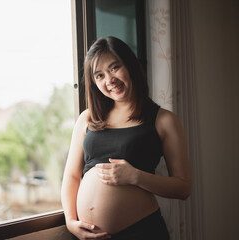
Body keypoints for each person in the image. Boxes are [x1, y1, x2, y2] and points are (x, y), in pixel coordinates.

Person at [61, 36, 191, 240]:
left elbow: (183, 187)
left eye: (114, 68)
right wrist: (70, 222)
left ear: (130, 66)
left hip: (141, 232)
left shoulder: (164, 120)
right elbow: (71, 176)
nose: (109, 80)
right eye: (99, 75)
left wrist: (135, 176)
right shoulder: (87, 119)